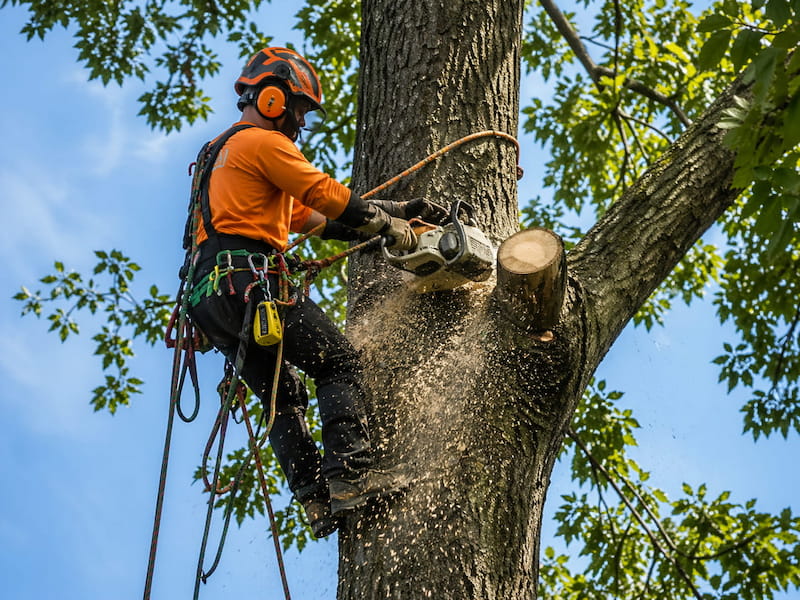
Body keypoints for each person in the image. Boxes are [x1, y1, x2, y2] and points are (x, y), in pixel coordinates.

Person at [187, 47, 436, 538]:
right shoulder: (263, 142)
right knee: (339, 361)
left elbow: (314, 219)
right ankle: (351, 475)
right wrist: (389, 228)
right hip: (251, 283)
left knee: (283, 393)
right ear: (272, 95)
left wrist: (399, 211)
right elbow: (324, 193)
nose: (298, 122)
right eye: (297, 109)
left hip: (213, 301)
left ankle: (315, 500)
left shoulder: (221, 156)